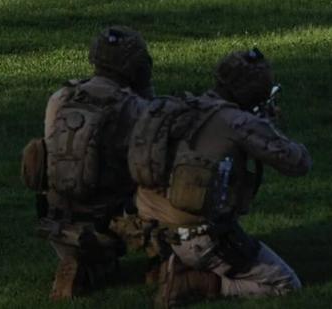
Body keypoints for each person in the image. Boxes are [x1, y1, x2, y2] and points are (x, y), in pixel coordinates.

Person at [133, 48, 312, 303]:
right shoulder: (239, 122)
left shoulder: (188, 105)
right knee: (285, 284)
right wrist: (266, 125)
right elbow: (298, 163)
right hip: (199, 238)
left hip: (155, 228)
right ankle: (198, 282)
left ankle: (173, 262)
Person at [23, 27, 160, 300]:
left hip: (56, 221)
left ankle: (80, 263)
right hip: (110, 222)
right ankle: (161, 262)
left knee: (103, 266)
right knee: (164, 182)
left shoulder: (62, 97)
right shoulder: (135, 107)